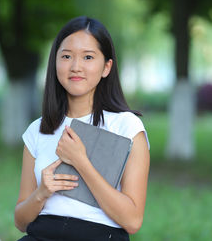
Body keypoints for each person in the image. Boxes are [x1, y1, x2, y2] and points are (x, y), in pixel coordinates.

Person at [15, 16, 150, 241]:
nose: (76, 67)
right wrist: (41, 193)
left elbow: (133, 221)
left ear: (106, 67)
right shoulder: (38, 129)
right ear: (55, 62)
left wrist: (81, 162)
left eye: (88, 57)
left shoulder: (126, 127)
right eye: (66, 56)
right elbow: (20, 222)